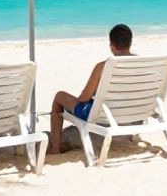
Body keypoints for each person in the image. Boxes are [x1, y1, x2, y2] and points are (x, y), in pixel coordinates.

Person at [47, 23, 134, 154]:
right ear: (130, 43)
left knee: (59, 97)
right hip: (130, 112)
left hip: (102, 114)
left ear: (112, 46)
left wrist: (78, 102)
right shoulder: (142, 64)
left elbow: (84, 98)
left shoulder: (102, 67)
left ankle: (55, 148)